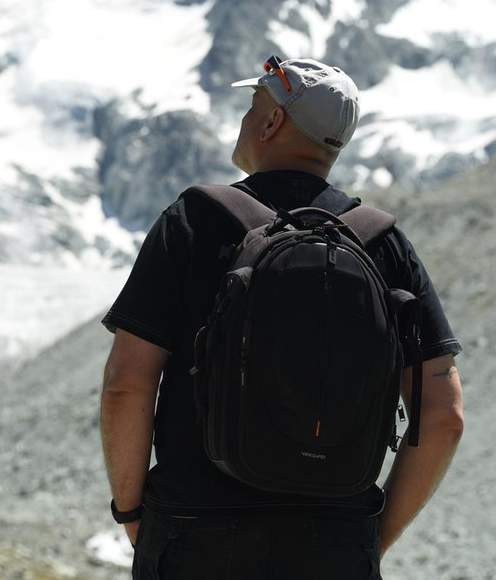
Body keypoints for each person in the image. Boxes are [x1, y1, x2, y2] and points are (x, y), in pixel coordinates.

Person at [99, 56, 464, 579]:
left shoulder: (194, 220)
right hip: (336, 540)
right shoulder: (384, 243)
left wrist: (134, 514)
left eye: (253, 106)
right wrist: (368, 540)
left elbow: (126, 385)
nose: (245, 120)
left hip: (193, 530)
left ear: (271, 123)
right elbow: (444, 416)